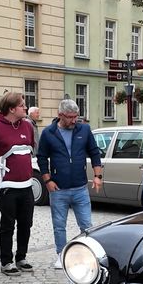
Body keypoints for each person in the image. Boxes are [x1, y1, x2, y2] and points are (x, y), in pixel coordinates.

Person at [37, 99, 103, 269]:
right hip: (58, 189)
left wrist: (98, 176)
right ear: (60, 115)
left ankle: (88, 255)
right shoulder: (48, 133)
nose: (74, 120)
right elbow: (42, 158)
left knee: (87, 225)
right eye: (70, 117)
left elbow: (95, 153)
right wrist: (47, 181)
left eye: (76, 116)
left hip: (80, 187)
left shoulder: (84, 130)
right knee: (59, 226)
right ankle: (61, 255)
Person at [0, 92, 37, 275]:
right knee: (8, 225)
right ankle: (6, 261)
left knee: (26, 223)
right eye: (22, 105)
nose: (25, 108)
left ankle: (21, 257)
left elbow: (31, 148)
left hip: (26, 185)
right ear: (11, 109)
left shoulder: (27, 126)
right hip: (6, 188)